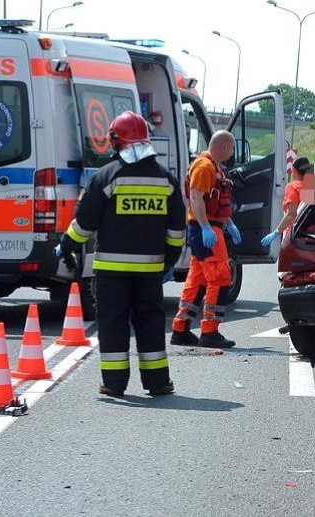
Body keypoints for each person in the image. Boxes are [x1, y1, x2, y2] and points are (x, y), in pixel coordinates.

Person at [57, 111, 185, 397]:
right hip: (150, 270)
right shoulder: (167, 180)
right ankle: (157, 382)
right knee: (150, 322)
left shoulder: (107, 176)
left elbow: (85, 223)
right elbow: (177, 228)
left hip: (111, 272)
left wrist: (67, 245)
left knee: (113, 323)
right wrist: (169, 261)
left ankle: (114, 384)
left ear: (116, 141)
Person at [170, 131, 242, 349]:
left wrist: (228, 223)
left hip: (208, 227)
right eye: (231, 148)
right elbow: (195, 197)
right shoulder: (204, 167)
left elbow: (214, 199)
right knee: (220, 277)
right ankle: (210, 331)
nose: (231, 153)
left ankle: (180, 329)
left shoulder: (213, 167)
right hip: (206, 229)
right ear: (223, 147)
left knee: (197, 280)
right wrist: (205, 228)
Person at [260, 156, 312, 247]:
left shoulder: (293, 187)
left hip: (295, 236)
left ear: (294, 170)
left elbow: (291, 214)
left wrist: (276, 232)